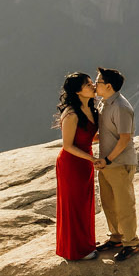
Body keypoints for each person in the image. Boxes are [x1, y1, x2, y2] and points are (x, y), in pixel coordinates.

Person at [92, 66, 139, 258]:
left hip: (119, 162)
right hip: (107, 163)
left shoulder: (121, 107)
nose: (95, 85)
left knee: (124, 204)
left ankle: (131, 243)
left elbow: (124, 138)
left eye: (99, 82)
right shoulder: (105, 104)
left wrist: (107, 160)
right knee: (109, 203)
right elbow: (106, 134)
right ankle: (116, 237)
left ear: (109, 86)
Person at [53, 71, 100, 260]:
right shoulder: (71, 114)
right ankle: (74, 251)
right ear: (78, 91)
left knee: (85, 204)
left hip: (85, 162)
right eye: (88, 84)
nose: (93, 86)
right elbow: (68, 145)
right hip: (71, 164)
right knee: (73, 205)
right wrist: (92, 159)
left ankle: (86, 244)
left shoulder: (91, 109)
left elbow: (89, 136)